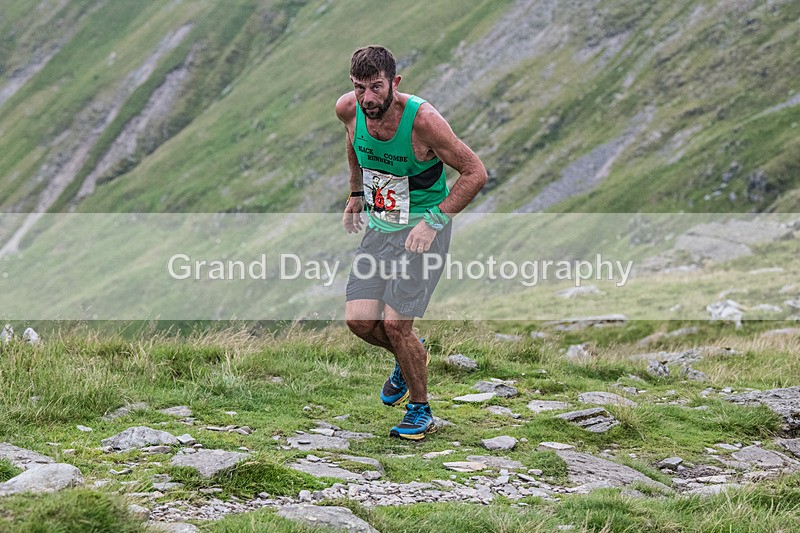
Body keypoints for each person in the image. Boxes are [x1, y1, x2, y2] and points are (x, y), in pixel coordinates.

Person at [336, 45, 487, 440]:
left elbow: (475, 172)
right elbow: (353, 145)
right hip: (381, 226)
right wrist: (355, 193)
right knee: (360, 321)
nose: (367, 98)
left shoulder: (424, 121)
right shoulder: (348, 110)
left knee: (397, 325)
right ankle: (409, 360)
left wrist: (434, 222)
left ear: (394, 83)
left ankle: (421, 411)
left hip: (423, 233)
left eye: (375, 87)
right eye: (358, 88)